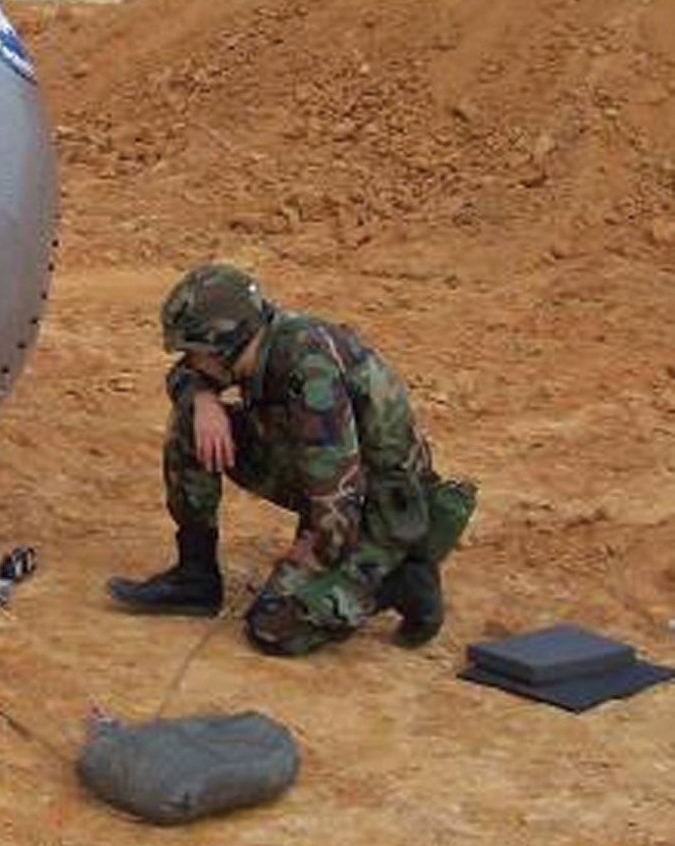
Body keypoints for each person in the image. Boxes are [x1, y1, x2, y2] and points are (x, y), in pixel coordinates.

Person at [107, 263, 476, 655]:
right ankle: (196, 576)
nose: (189, 361)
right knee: (189, 421)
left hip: (375, 505)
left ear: (224, 346)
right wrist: (202, 398)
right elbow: (183, 376)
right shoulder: (258, 339)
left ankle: (404, 580)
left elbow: (340, 493)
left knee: (273, 627)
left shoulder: (311, 374)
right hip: (315, 466)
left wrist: (315, 551)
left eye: (193, 352)